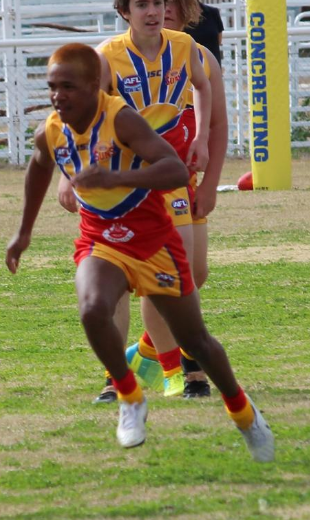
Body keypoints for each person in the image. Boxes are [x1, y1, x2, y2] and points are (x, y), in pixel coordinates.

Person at [6, 42, 273, 461]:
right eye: (52, 87)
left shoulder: (121, 119)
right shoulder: (51, 129)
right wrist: (23, 233)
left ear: (94, 85)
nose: (58, 96)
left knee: (197, 341)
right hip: (101, 239)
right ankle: (129, 396)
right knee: (92, 308)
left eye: (68, 87)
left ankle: (244, 413)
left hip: (153, 242)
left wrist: (116, 178)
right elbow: (40, 165)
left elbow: (174, 169)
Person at [61, 0, 213, 403]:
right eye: (141, 4)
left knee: (183, 272)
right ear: (125, 11)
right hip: (120, 182)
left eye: (158, 2)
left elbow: (203, 85)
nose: (153, 11)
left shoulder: (184, 46)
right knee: (118, 282)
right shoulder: (106, 56)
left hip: (168, 173)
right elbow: (78, 113)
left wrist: (200, 138)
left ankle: (180, 367)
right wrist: (68, 174)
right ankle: (124, 379)